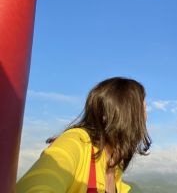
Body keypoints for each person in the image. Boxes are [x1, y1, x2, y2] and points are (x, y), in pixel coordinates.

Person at [16, 77, 151, 193]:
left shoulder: (116, 172)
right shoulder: (75, 142)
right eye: (143, 109)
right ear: (123, 114)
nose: (146, 118)